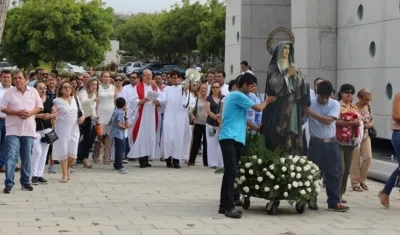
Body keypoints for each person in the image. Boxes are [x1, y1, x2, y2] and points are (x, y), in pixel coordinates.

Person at [218, 72, 276, 219]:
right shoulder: (238, 95)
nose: (252, 89)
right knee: (231, 172)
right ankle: (229, 206)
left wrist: (256, 128)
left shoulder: (237, 97)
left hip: (235, 137)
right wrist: (268, 100)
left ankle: (224, 204)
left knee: (231, 172)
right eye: (250, 86)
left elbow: (243, 118)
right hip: (229, 137)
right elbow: (259, 108)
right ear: (243, 85)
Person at [305, 80, 349, 212]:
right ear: (317, 94)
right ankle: (311, 199)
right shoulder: (310, 102)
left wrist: (310, 112)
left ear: (331, 95)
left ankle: (334, 202)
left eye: (326, 97)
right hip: (315, 143)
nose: (324, 100)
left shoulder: (334, 104)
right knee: (314, 173)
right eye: (321, 97)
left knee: (333, 173)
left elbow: (328, 120)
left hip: (331, 143)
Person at [262, 41, 310, 155]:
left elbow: (305, 86)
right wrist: (288, 75)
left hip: (293, 104)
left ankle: (293, 154)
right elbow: (274, 86)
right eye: (284, 48)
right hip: (278, 105)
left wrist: (296, 76)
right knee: (278, 132)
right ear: (279, 51)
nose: (287, 51)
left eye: (288, 48)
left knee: (292, 129)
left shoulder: (295, 67)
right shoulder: (273, 68)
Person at [1, 71, 43, 193]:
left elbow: (39, 106)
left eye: (20, 78)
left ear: (25, 79)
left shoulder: (33, 91)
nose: (17, 80)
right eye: (15, 78)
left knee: (27, 157)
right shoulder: (9, 93)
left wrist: (30, 113)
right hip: (13, 129)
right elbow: (3, 108)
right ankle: (9, 183)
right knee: (11, 156)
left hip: (28, 129)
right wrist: (16, 112)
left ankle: (25, 182)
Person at [126, 69, 161, 168]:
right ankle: (141, 159)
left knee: (150, 136)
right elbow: (132, 101)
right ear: (143, 77)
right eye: (147, 75)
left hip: (152, 116)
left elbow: (162, 98)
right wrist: (143, 100)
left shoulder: (154, 87)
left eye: (150, 75)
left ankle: (147, 158)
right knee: (141, 137)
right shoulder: (138, 87)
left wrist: (157, 102)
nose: (149, 77)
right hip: (141, 117)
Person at [110, 97, 130, 174]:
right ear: (123, 105)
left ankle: (116, 164)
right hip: (118, 134)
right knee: (120, 150)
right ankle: (119, 165)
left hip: (116, 134)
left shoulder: (117, 111)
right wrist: (125, 127)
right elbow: (118, 124)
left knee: (118, 149)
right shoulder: (120, 113)